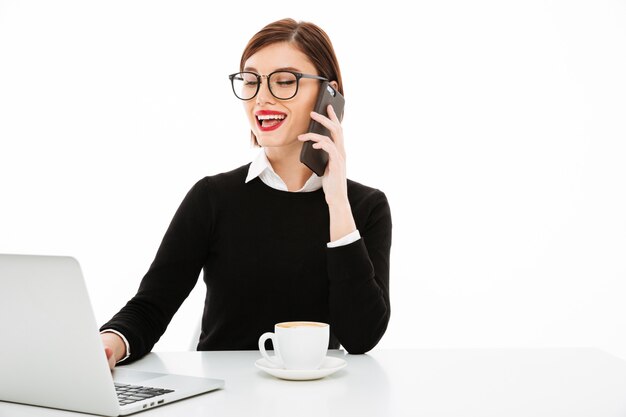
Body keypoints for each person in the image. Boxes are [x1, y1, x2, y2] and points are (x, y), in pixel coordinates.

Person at [100, 18, 392, 369]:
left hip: (319, 399)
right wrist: (107, 344)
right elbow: (151, 306)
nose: (261, 98)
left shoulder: (365, 207)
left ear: (328, 94)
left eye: (285, 81)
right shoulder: (212, 198)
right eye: (251, 82)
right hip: (222, 398)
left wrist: (336, 200)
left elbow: (361, 337)